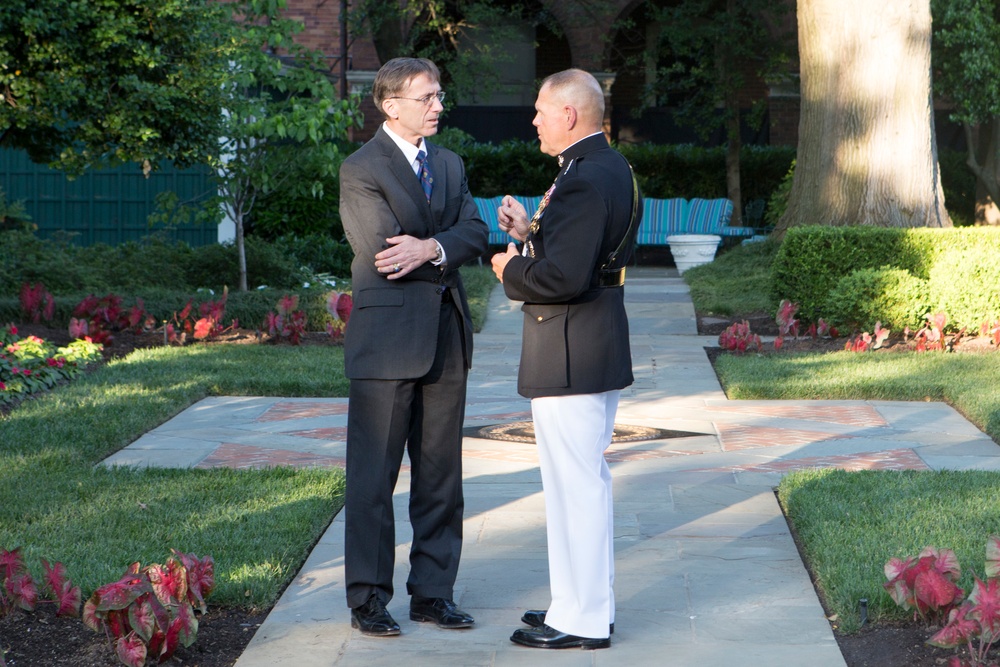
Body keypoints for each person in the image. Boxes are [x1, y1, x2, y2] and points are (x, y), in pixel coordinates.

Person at [490, 69, 641, 650]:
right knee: (580, 482)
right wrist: (531, 231)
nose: (533, 121)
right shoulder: (606, 165)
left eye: (540, 110)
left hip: (572, 344)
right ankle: (579, 604)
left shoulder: (581, 178)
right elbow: (590, 254)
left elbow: (564, 277)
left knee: (574, 486)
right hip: (590, 337)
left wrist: (512, 269)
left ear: (570, 116)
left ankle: (580, 619)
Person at [339, 57, 488, 637]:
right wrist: (440, 245)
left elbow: (475, 233)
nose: (437, 106)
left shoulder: (449, 163)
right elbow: (384, 252)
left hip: (446, 335)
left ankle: (433, 593)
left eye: (439, 94)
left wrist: (430, 247)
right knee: (373, 478)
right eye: (426, 97)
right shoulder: (360, 168)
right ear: (389, 104)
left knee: (441, 476)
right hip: (386, 342)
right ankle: (368, 599)